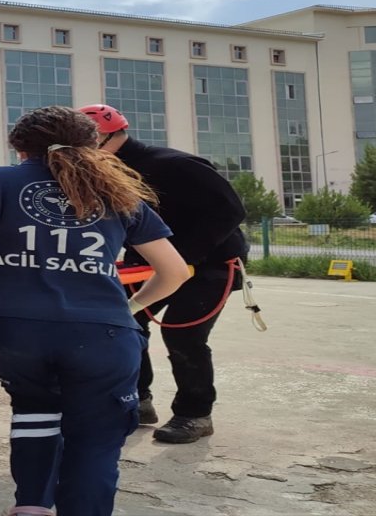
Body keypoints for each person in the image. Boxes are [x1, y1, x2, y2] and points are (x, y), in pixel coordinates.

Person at [0, 105, 190, 516]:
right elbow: (175, 271)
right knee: (96, 438)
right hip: (101, 333)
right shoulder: (117, 191)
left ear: (20, 148)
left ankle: (31, 507)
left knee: (34, 412)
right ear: (93, 145)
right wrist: (130, 307)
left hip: (13, 331)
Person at [79, 103, 250, 444]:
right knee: (123, 323)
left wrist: (183, 257)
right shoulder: (108, 173)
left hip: (209, 265)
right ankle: (138, 401)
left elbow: (230, 210)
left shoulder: (174, 165)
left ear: (100, 138)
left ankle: (194, 414)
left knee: (183, 334)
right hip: (150, 265)